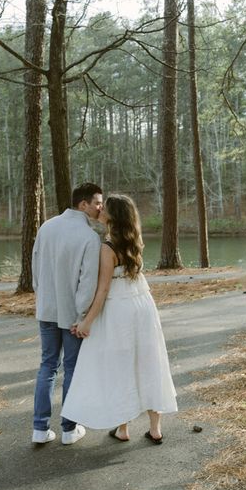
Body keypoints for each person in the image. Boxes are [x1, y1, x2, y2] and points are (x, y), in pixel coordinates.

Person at [62, 194, 177, 444]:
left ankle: (123, 429)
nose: (100, 210)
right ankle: (155, 428)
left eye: (105, 208)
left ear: (112, 216)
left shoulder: (108, 246)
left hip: (119, 308)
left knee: (120, 364)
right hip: (143, 303)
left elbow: (103, 290)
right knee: (149, 361)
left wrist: (86, 322)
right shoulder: (135, 239)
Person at [31, 182, 103, 445]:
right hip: (72, 315)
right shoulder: (88, 236)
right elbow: (87, 282)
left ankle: (39, 429)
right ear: (83, 204)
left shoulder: (46, 227)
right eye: (97, 202)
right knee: (71, 367)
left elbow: (35, 268)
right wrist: (82, 315)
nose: (100, 207)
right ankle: (69, 429)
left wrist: (42, 299)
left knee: (48, 366)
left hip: (47, 309)